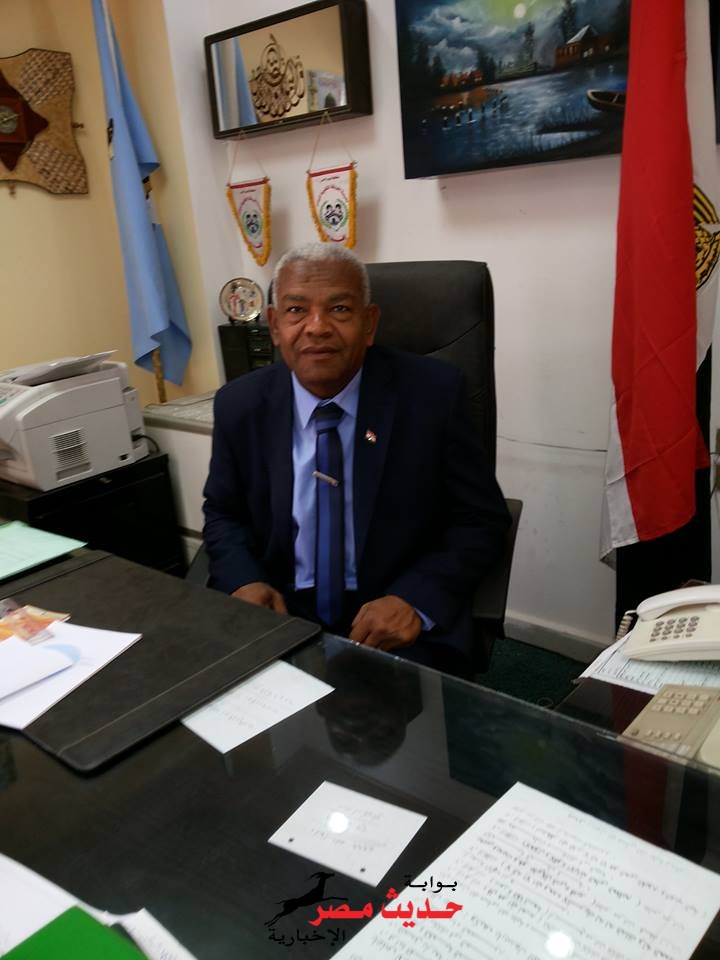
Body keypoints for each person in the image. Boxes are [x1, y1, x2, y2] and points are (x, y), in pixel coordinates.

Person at [202, 243, 510, 675]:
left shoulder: (434, 395)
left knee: (394, 715)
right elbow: (223, 512)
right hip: (280, 607)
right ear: (274, 325)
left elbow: (481, 520)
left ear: (369, 324)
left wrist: (415, 599)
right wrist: (244, 579)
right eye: (296, 310)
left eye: (340, 309)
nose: (316, 327)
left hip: (395, 608)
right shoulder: (240, 404)